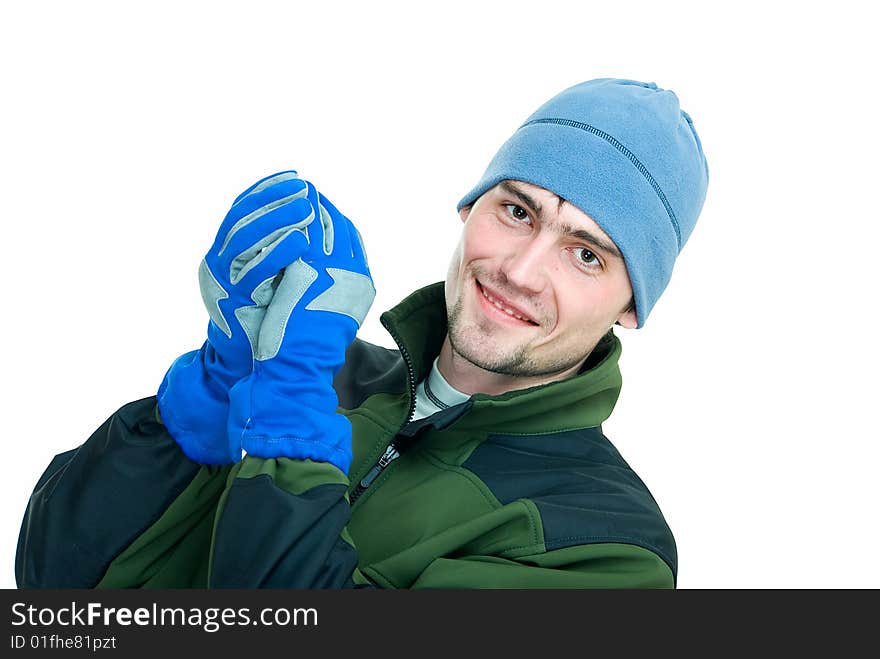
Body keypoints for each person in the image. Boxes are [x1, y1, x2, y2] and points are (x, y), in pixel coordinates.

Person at [16, 77, 709, 589]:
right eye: (518, 211)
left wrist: (286, 422)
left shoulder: (609, 547)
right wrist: (206, 398)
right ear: (470, 205)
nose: (522, 270)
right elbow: (52, 578)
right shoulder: (320, 372)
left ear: (631, 305)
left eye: (587, 253)